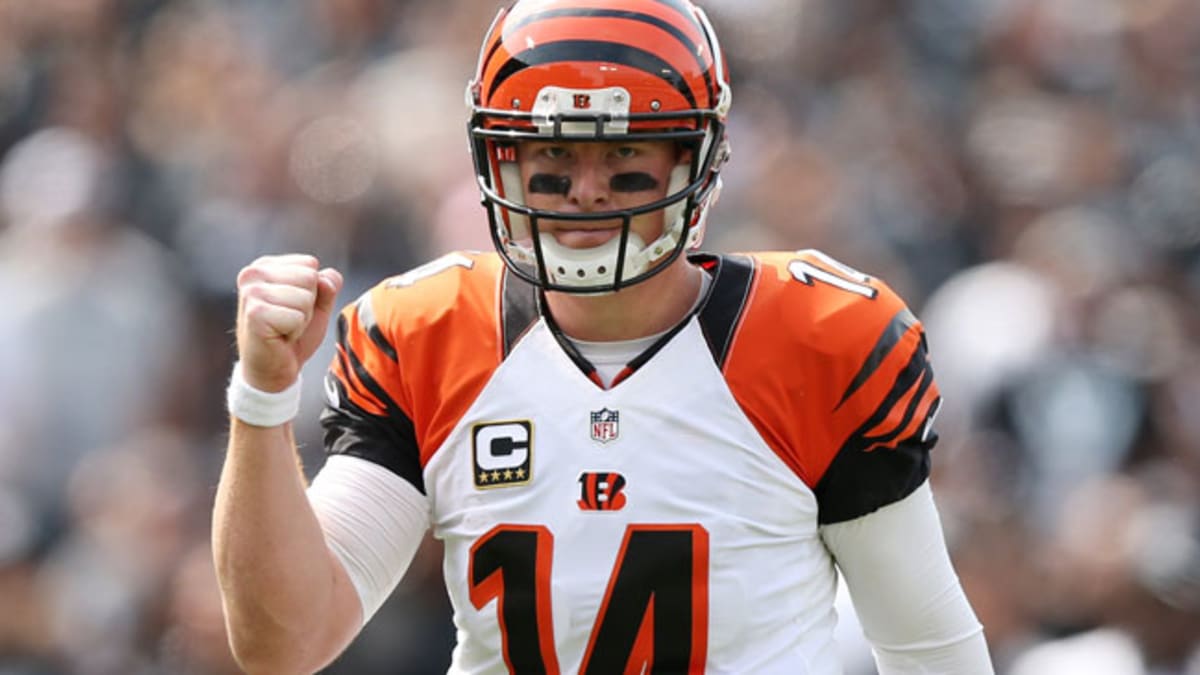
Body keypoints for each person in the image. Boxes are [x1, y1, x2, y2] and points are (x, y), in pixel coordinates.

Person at [212, 1, 996, 673]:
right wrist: (262, 395)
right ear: (500, 159)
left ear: (700, 162)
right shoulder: (429, 334)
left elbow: (929, 649)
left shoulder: (818, 343)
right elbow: (285, 642)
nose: (586, 192)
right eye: (554, 157)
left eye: (625, 160)